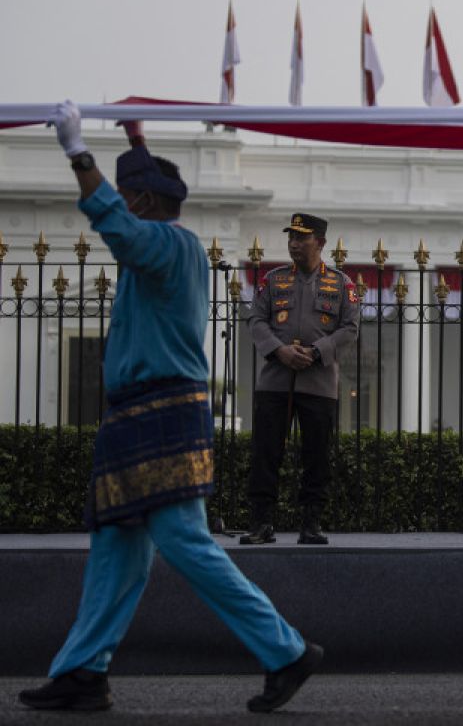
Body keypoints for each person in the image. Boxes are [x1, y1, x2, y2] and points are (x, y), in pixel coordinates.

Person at [19, 102, 321, 714]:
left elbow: (118, 228)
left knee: (184, 540)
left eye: (127, 195)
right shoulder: (159, 243)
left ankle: (284, 649)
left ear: (147, 203)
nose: (119, 204)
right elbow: (127, 219)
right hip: (139, 412)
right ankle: (82, 669)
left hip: (161, 409)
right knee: (117, 541)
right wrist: (125, 144)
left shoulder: (167, 245)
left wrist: (79, 154)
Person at [242, 213, 360, 546]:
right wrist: (279, 350)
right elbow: (256, 320)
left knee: (316, 456)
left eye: (301, 238)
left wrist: (318, 350)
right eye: (291, 237)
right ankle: (261, 523)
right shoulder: (273, 280)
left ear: (320, 243)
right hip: (275, 380)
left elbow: (350, 328)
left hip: (319, 382)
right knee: (266, 453)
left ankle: (311, 523)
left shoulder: (341, 284)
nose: (294, 243)